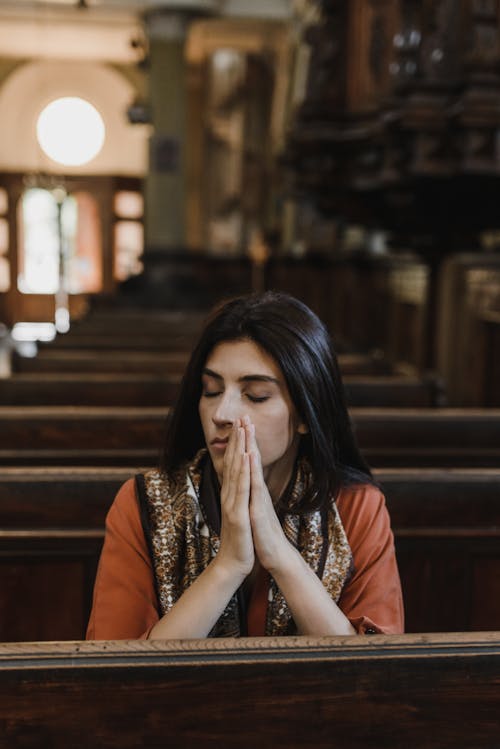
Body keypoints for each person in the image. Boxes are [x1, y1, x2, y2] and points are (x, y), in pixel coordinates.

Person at [86, 291, 404, 639]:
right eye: (210, 391)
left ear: (305, 415)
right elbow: (118, 670)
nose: (221, 414)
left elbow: (372, 669)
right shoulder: (142, 503)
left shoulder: (355, 506)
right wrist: (228, 567)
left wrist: (280, 556)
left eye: (255, 396)